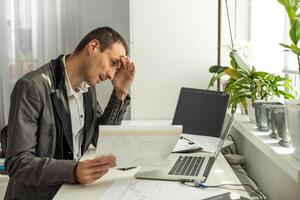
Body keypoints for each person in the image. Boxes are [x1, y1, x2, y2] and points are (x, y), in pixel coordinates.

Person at [4, 27, 135, 200]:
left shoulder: (88, 89)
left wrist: (120, 94)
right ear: (93, 47)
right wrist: (73, 170)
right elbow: (18, 163)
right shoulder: (32, 87)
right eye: (112, 63)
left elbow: (100, 138)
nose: (112, 75)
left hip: (70, 192)